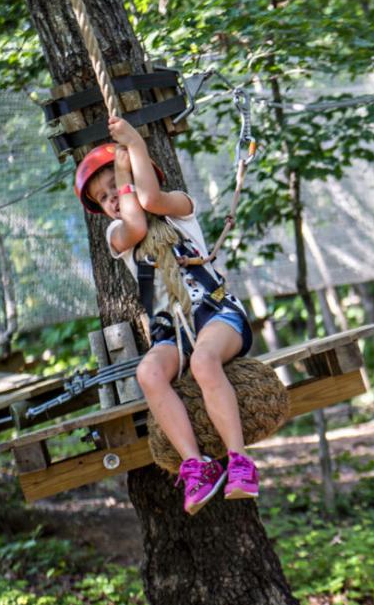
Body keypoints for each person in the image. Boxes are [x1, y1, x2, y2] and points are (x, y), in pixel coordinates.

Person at [74, 116, 258, 515]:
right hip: (171, 330)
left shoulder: (179, 210)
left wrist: (134, 145)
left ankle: (240, 461)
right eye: (105, 198)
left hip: (217, 314)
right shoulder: (117, 238)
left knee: (206, 361)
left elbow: (150, 202)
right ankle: (197, 466)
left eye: (115, 187)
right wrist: (123, 175)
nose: (112, 199)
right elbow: (136, 223)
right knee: (149, 374)